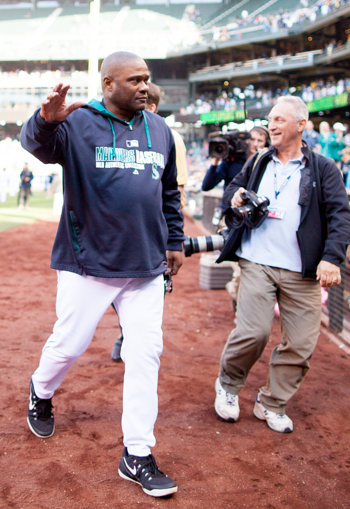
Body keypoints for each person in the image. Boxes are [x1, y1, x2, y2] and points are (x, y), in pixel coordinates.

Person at [19, 51, 184, 498]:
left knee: (145, 355)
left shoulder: (160, 129)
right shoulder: (77, 122)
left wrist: (175, 240)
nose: (144, 87)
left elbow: (168, 191)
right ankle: (41, 388)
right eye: (134, 80)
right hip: (87, 261)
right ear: (108, 85)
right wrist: (44, 120)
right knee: (69, 344)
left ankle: (137, 453)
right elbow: (35, 145)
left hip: (145, 266)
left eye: (147, 79)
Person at [212, 96, 350, 433]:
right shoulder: (259, 160)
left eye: (279, 120)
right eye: (270, 120)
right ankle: (228, 386)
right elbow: (233, 189)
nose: (272, 125)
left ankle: (272, 401)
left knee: (302, 342)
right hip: (256, 260)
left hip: (301, 270)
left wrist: (332, 257)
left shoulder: (324, 168)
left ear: (301, 125)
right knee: (254, 331)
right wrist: (233, 196)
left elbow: (341, 218)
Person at [110, 81, 190, 362]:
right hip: (129, 227)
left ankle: (130, 335)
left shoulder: (166, 134)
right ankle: (126, 330)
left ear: (152, 107)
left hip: (156, 227)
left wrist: (172, 235)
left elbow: (174, 190)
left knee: (148, 289)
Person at [201, 126, 268, 195]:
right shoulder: (232, 161)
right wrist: (215, 162)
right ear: (247, 140)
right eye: (252, 139)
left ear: (266, 143)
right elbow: (206, 186)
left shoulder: (266, 164)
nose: (255, 144)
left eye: (260, 141)